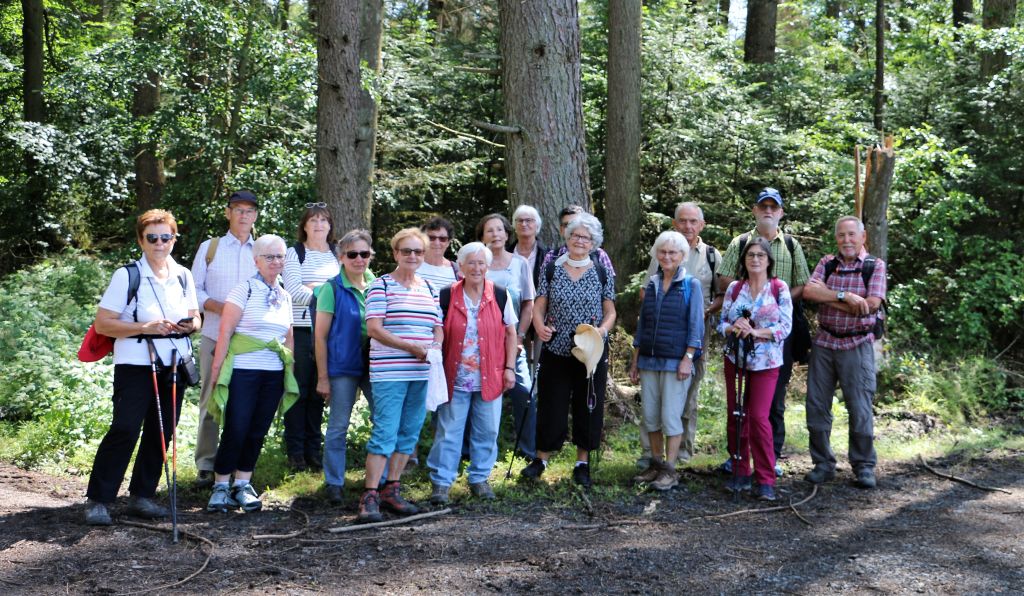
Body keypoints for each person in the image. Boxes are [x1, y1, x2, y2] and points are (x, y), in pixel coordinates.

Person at [84, 209, 200, 525]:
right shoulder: (128, 275)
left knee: (161, 432)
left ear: (174, 239)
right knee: (125, 428)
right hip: (135, 364)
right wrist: (145, 326)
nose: (160, 243)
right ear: (141, 240)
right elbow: (104, 324)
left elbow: (196, 316)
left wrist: (189, 325)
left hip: (174, 363)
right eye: (152, 237)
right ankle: (98, 499)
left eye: (166, 237)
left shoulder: (184, 275)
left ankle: (142, 496)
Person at [718, 188, 809, 475]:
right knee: (740, 408)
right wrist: (745, 316)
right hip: (740, 342)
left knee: (773, 401)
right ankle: (738, 461)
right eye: (763, 206)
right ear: (755, 210)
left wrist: (777, 308)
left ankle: (772, 460)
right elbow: (725, 281)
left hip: (776, 337)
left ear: (781, 212)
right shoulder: (740, 243)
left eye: (774, 206)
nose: (768, 210)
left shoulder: (791, 245)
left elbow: (802, 284)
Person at [522, 213, 616, 488]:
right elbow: (539, 305)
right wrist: (539, 327)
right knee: (552, 403)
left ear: (593, 242)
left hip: (591, 350)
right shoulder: (551, 267)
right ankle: (541, 459)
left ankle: (582, 463)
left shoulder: (602, 269)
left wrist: (601, 331)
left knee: (588, 405)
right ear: (568, 237)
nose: (579, 240)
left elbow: (610, 311)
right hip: (557, 346)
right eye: (575, 235)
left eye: (585, 237)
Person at [206, 234, 298, 513]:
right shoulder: (242, 290)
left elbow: (289, 336)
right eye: (269, 256)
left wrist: (288, 371)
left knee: (258, 428)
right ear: (256, 259)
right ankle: (220, 485)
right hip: (243, 372)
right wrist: (216, 371)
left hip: (272, 373)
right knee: (236, 427)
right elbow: (225, 333)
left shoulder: (284, 295)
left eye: (280, 256)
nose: (275, 261)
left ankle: (242, 483)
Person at [358, 228, 444, 523]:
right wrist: (410, 347)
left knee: (409, 432)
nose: (412, 256)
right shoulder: (380, 286)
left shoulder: (430, 288)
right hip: (389, 373)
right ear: (395, 253)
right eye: (406, 251)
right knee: (385, 432)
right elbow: (375, 329)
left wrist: (434, 346)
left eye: (417, 252)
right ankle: (369, 494)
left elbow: (438, 327)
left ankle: (391, 490)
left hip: (421, 374)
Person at [427, 242, 518, 504]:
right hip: (455, 376)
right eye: (471, 262)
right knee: (449, 431)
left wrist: (510, 368)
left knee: (487, 430)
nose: (477, 268)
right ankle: (442, 482)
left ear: (488, 267)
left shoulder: (500, 295)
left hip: (492, 374)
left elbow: (511, 333)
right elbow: (437, 330)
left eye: (481, 263)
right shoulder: (446, 295)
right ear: (461, 266)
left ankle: (479, 478)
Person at [801, 216, 886, 489]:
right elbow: (809, 292)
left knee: (859, 406)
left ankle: (863, 466)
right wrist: (845, 297)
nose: (846, 240)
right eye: (841, 235)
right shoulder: (828, 263)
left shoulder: (874, 266)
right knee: (816, 404)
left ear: (863, 238)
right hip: (825, 343)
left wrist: (829, 295)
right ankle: (823, 464)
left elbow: (871, 304)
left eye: (851, 235)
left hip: (857, 344)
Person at [637, 202, 723, 468]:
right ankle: (651, 456)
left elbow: (721, 294)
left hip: (695, 333)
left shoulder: (712, 255)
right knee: (653, 403)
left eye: (693, 221)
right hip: (658, 337)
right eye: (682, 221)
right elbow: (646, 292)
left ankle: (682, 452)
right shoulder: (663, 250)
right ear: (675, 223)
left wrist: (701, 314)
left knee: (688, 392)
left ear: (701, 224)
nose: (687, 226)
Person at [190, 190, 259, 488]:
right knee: (210, 399)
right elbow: (194, 290)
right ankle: (206, 464)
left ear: (256, 215)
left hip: (250, 341)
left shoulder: (263, 249)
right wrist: (220, 308)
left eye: (250, 211)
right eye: (238, 210)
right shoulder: (210, 248)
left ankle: (233, 463)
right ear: (228, 212)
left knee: (243, 403)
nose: (244, 215)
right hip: (214, 334)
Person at [629, 231, 704, 491]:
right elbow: (643, 325)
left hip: (676, 362)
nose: (667, 256)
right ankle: (656, 464)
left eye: (673, 252)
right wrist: (635, 359)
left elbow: (697, 325)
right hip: (649, 360)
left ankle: (670, 470)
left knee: (670, 417)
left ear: (683, 256)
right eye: (663, 251)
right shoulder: (651, 283)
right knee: (650, 417)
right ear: (657, 254)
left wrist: (688, 358)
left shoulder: (690, 284)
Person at [719, 237, 793, 501]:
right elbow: (722, 323)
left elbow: (784, 328)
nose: (755, 259)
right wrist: (733, 328)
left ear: (768, 260)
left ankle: (765, 478)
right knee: (736, 414)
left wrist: (755, 332)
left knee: (760, 417)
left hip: (767, 362)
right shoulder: (735, 289)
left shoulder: (779, 288)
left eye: (761, 255)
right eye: (751, 255)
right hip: (736, 360)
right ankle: (739, 471)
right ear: (744, 260)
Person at [314, 230, 376, 504]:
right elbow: (320, 336)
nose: (359, 259)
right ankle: (334, 482)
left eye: (364, 254)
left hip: (376, 365)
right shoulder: (331, 288)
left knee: (382, 421)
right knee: (338, 426)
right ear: (341, 258)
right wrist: (323, 377)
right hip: (342, 365)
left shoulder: (379, 285)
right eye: (353, 254)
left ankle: (379, 481)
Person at [282, 203, 340, 472]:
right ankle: (295, 452)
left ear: (330, 226)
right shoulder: (295, 253)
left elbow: (346, 288)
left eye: (323, 220)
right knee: (299, 390)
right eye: (313, 220)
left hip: (329, 331)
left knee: (320, 390)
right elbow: (293, 291)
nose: (319, 225)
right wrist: (326, 294)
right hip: (302, 330)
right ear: (304, 225)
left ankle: (313, 451)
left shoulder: (337, 253)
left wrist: (317, 290)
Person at [478, 214, 537, 459]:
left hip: (514, 341)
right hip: (482, 344)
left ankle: (528, 449)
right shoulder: (476, 263)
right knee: (479, 395)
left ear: (507, 234)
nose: (495, 235)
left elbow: (528, 303)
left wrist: (521, 336)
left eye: (499, 230)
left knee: (524, 392)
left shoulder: (520, 263)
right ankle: (475, 450)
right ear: (481, 237)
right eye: (489, 231)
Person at [539, 205, 617, 277]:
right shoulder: (551, 256)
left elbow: (609, 288)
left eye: (575, 223)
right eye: (567, 225)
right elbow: (544, 289)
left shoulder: (599, 255)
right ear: (561, 230)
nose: (571, 228)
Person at [417, 216, 460, 289]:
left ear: (448, 242)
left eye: (442, 239)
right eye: (431, 238)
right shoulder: (410, 266)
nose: (437, 242)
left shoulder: (457, 272)